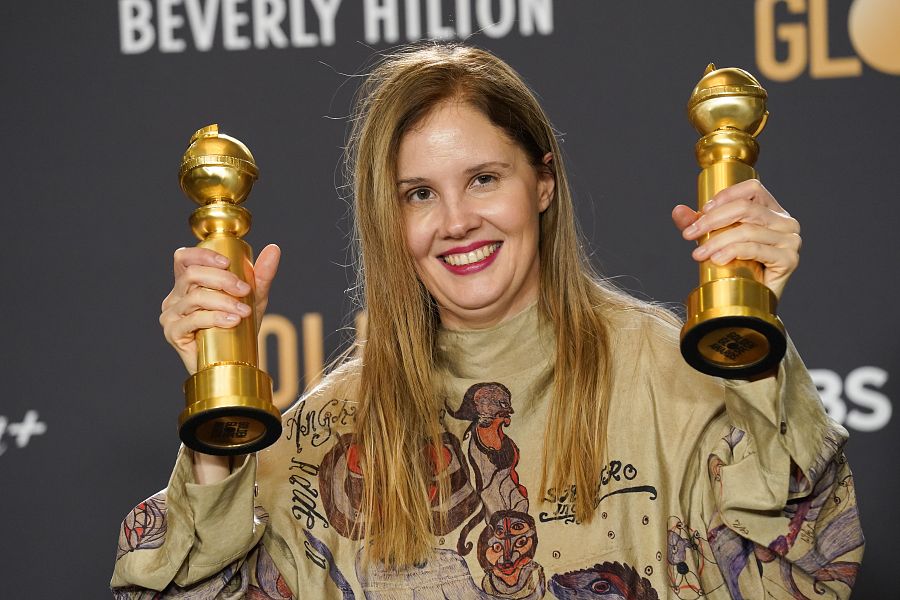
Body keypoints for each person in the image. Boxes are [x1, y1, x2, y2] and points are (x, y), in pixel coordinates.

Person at [111, 43, 863, 599]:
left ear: (542, 181)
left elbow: (814, 571)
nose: (457, 222)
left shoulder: (677, 379)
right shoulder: (330, 432)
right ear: (388, 219)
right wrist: (218, 422)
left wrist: (755, 354)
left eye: (483, 178)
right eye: (418, 195)